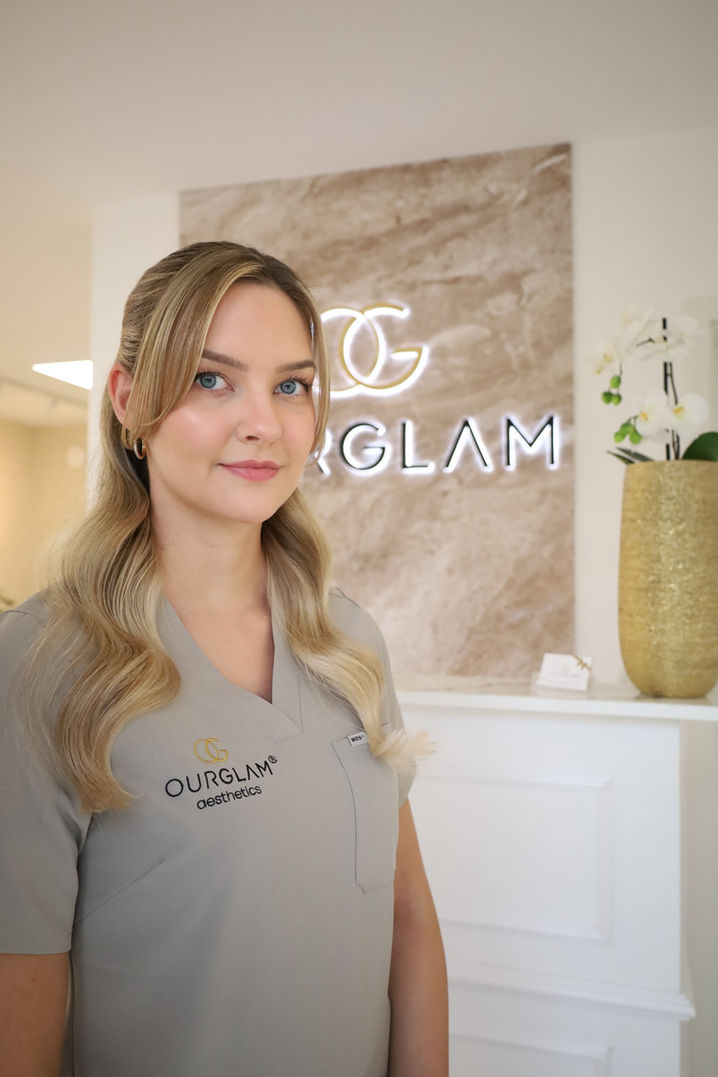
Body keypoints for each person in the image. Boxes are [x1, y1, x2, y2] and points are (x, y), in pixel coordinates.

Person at [0, 241, 448, 1077]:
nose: (263, 423)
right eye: (213, 378)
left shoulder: (348, 639)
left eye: (292, 385)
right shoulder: (43, 661)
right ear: (129, 401)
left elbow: (409, 918)